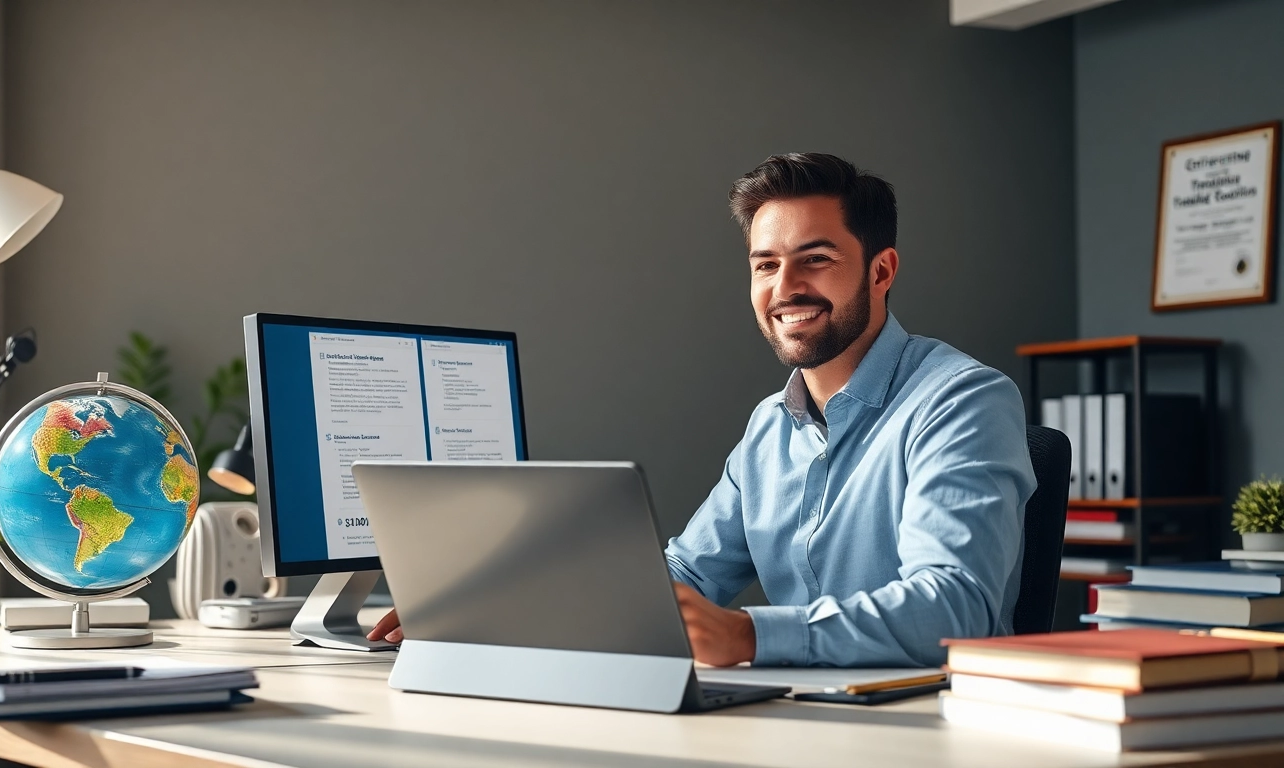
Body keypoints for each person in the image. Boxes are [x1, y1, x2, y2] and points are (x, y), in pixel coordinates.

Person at [369, 153, 1034, 668]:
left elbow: (956, 606)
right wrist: (498, 611)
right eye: (765, 264)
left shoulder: (962, 401)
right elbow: (685, 576)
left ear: (881, 271)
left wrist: (749, 633)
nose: (785, 288)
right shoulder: (772, 424)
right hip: (803, 715)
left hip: (923, 729)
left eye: (816, 260)